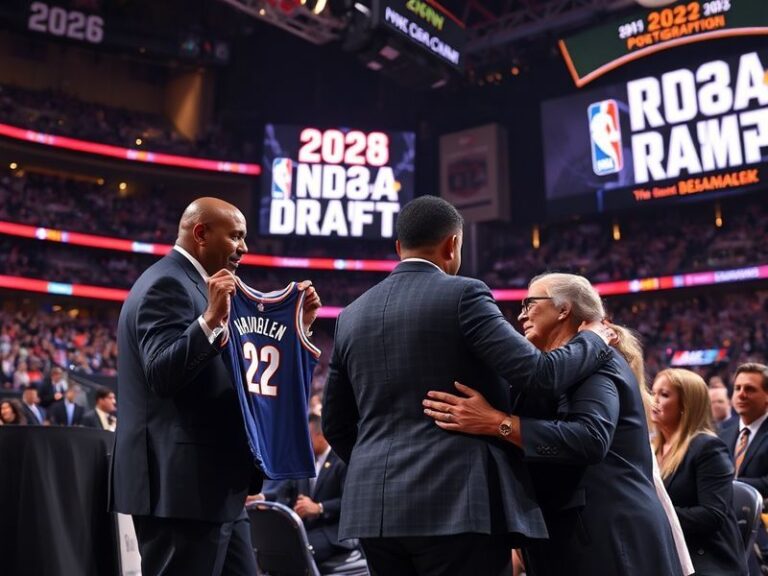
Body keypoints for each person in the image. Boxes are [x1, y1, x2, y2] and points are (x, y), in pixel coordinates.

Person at [322, 197, 613, 576]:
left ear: (398, 247)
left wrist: (373, 465)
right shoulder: (464, 294)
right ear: (453, 244)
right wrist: (593, 338)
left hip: (373, 509)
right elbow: (540, 375)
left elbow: (335, 425)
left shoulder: (349, 315)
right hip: (457, 502)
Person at [111, 197, 321, 576]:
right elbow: (161, 374)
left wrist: (299, 330)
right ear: (201, 234)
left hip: (214, 490)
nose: (244, 247)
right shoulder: (167, 284)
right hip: (179, 493)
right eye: (236, 236)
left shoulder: (203, 285)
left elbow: (243, 376)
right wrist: (208, 322)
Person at [423, 272, 684, 575]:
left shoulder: (598, 362)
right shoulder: (561, 366)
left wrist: (498, 423)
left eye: (530, 304)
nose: (521, 315)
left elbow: (590, 438)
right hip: (571, 536)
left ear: (564, 309)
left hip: (607, 536)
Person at [652, 368, 747, 576]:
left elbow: (711, 515)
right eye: (653, 393)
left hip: (707, 560)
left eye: (664, 395)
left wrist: (654, 516)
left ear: (686, 405)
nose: (654, 400)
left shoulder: (707, 447)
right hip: (670, 554)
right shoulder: (651, 448)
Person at [260, 414, 360, 566]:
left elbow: (351, 501)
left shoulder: (342, 460)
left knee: (296, 552)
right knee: (274, 548)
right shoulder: (305, 462)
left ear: (320, 437)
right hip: (309, 529)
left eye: (306, 437)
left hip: (333, 532)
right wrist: (262, 497)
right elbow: (285, 491)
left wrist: (319, 508)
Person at [719, 363, 768, 575]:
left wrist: (727, 486)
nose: (742, 394)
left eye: (750, 389)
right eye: (737, 388)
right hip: (727, 528)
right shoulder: (722, 432)